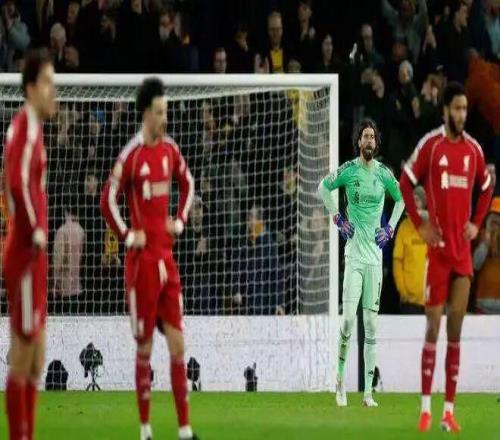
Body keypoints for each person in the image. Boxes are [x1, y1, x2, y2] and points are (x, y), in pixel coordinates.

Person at [100, 77, 197, 440]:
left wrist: (180, 220)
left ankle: (185, 430)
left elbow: (188, 184)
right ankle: (145, 430)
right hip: (141, 266)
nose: (164, 118)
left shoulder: (170, 150)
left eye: (165, 111)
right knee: (145, 347)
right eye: (159, 112)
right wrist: (127, 235)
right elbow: (107, 200)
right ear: (145, 113)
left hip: (167, 262)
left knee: (178, 344)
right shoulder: (132, 155)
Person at [399, 82, 493, 432]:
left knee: (455, 331)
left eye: (465, 109)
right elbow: (404, 182)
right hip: (438, 255)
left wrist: (476, 222)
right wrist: (418, 222)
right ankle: (426, 409)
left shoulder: (473, 150)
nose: (462, 114)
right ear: (445, 111)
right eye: (457, 108)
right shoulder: (432, 145)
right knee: (433, 328)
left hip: (462, 256)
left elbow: (487, 187)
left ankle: (448, 412)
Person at [318, 119, 405, 407]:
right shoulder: (349, 170)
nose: (369, 141)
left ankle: (368, 394)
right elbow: (322, 187)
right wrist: (337, 218)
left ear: (376, 143)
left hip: (374, 260)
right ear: (358, 142)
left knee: (370, 324)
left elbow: (401, 200)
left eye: (372, 137)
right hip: (354, 255)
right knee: (347, 321)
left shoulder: (383, 173)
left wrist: (390, 228)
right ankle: (340, 383)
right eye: (365, 136)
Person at [3, 48, 56, 440]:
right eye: (49, 83)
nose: (54, 91)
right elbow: (16, 183)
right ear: (32, 87)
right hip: (24, 252)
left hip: (35, 256)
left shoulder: (35, 129)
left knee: (37, 358)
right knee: (22, 357)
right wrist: (35, 227)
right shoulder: (23, 128)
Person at [393, 186, 428, 313]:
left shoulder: (432, 226)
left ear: (424, 203)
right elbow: (397, 261)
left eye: (417, 200)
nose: (414, 204)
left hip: (431, 299)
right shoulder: (404, 227)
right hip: (409, 300)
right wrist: (403, 291)